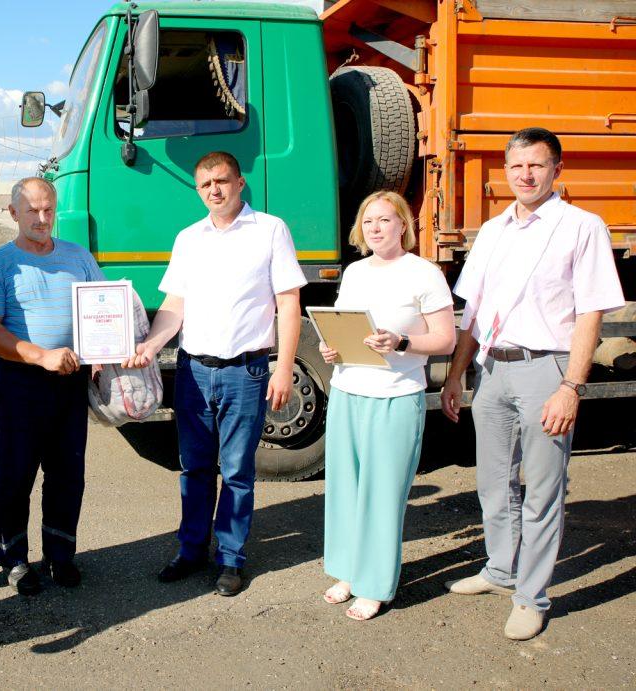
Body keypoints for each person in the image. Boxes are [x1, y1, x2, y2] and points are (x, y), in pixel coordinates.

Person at [440, 127, 624, 640]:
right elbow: (474, 311)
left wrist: (571, 387)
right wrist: (456, 374)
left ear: (556, 170)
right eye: (517, 166)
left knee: (542, 489)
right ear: (505, 171)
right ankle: (501, 570)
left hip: (547, 368)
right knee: (494, 482)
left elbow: (590, 312)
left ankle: (531, 596)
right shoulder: (493, 230)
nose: (525, 175)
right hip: (493, 369)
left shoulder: (581, 227)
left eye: (537, 165)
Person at [125, 151, 305, 596]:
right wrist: (151, 345)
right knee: (194, 467)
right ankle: (190, 550)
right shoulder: (189, 238)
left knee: (238, 471)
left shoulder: (270, 230)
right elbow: (175, 305)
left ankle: (230, 558)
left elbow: (288, 303)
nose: (214, 191)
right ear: (198, 190)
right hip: (194, 372)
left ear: (240, 183)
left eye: (221, 181)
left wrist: (284, 367)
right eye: (205, 185)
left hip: (246, 372)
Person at [318, 191, 456, 621]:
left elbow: (446, 339)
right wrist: (330, 348)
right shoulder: (355, 272)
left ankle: (375, 585)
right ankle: (347, 572)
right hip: (347, 391)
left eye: (385, 220)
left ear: (403, 225)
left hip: (395, 395)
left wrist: (402, 342)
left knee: (382, 495)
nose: (376, 228)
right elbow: (342, 326)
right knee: (345, 489)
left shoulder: (424, 273)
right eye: (369, 221)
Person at [0, 176, 104, 595]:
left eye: (48, 209)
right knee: (14, 475)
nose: (42, 218)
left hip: (71, 380)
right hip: (21, 381)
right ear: (14, 212)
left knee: (67, 473)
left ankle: (60, 555)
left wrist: (102, 353)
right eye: (32, 210)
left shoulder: (79, 257)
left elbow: (102, 309)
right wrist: (40, 356)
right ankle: (12, 558)